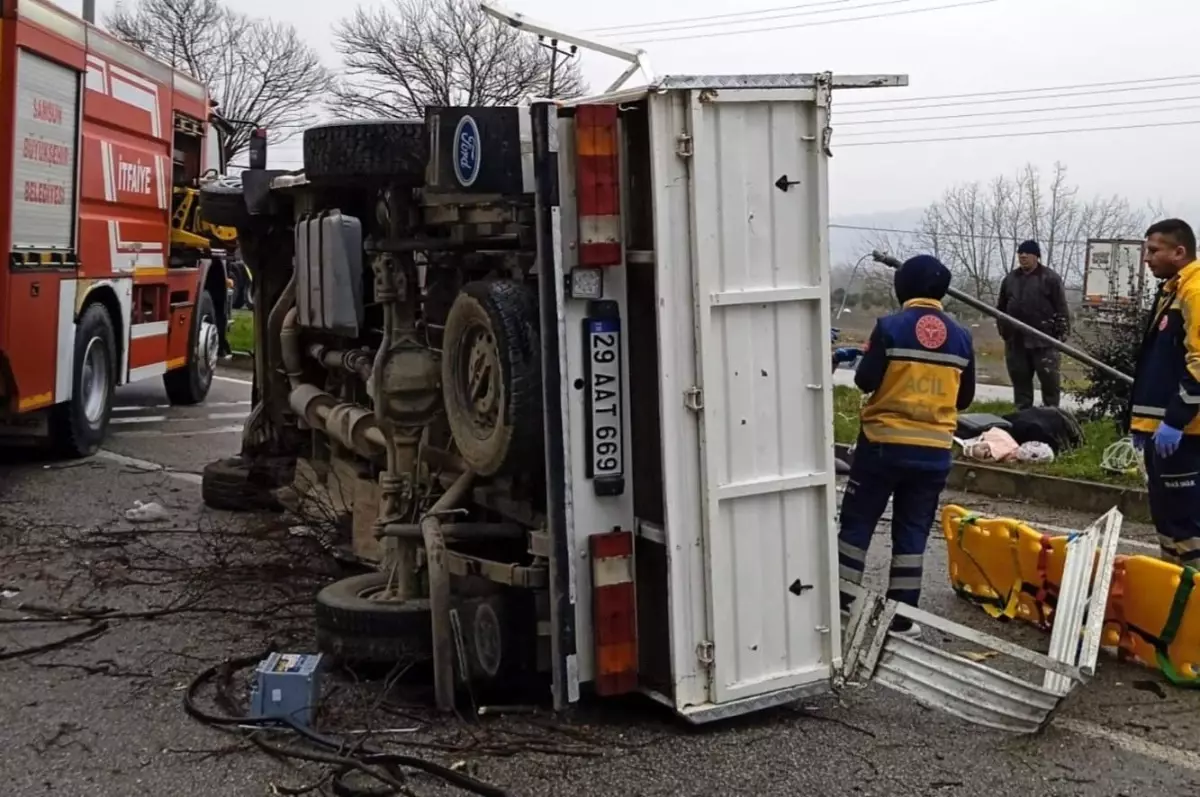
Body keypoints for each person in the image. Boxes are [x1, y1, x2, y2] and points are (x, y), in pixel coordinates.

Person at [838, 254, 977, 637]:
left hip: (883, 446)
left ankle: (843, 603)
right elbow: (964, 399)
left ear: (902, 288)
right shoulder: (962, 336)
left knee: (858, 524)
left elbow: (865, 382)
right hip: (934, 452)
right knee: (913, 532)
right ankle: (902, 618)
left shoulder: (890, 327)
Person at [1127, 218, 1200, 566]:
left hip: (1185, 432)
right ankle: (1173, 590)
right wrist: (1143, 423)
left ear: (1179, 251)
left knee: (1185, 524)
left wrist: (1174, 419)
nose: (1147, 258)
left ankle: (1192, 598)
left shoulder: (1195, 291)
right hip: (1164, 432)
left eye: (1154, 250)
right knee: (1169, 520)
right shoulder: (1174, 288)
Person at [996, 240, 1071, 409]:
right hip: (1016, 342)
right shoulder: (1010, 280)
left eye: (1027, 253)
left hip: (1044, 342)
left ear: (1036, 256)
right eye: (1020, 253)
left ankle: (1052, 419)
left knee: (1050, 385)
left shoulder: (1050, 278)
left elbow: (1061, 308)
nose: (1023, 256)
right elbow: (1000, 309)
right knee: (1021, 387)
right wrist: (1004, 332)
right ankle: (1023, 421)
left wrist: (1060, 336)